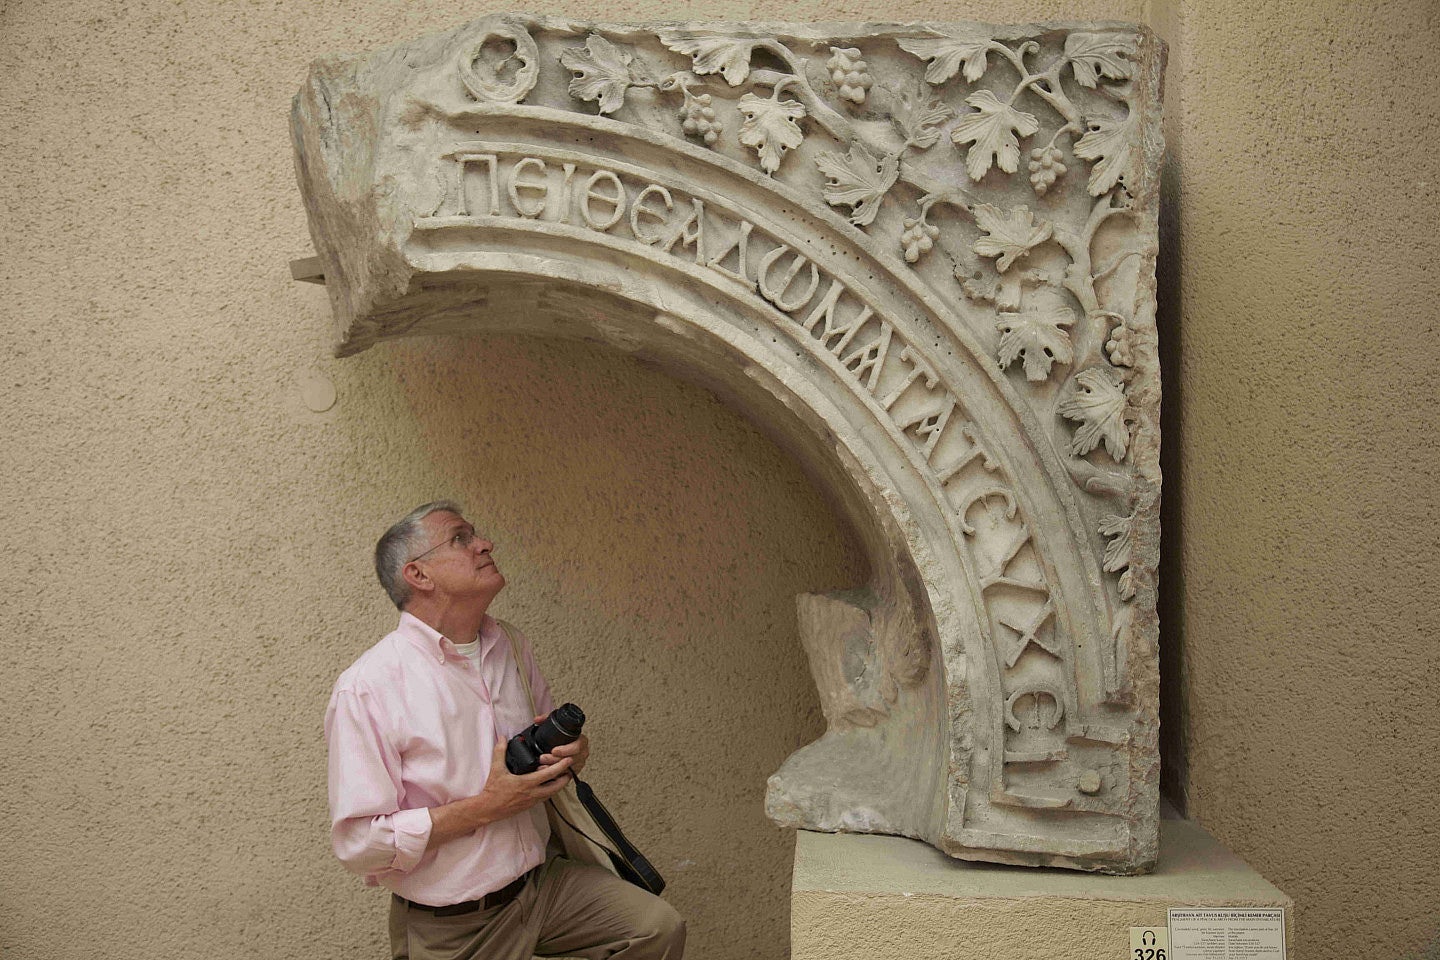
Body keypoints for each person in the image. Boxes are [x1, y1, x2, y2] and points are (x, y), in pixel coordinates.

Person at [325, 501, 685, 960]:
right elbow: (359, 845)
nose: (484, 544)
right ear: (419, 575)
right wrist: (485, 807)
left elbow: (544, 748)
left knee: (654, 928)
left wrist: (569, 754)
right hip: (455, 924)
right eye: (460, 538)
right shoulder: (367, 688)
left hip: (542, 885)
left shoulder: (510, 644)